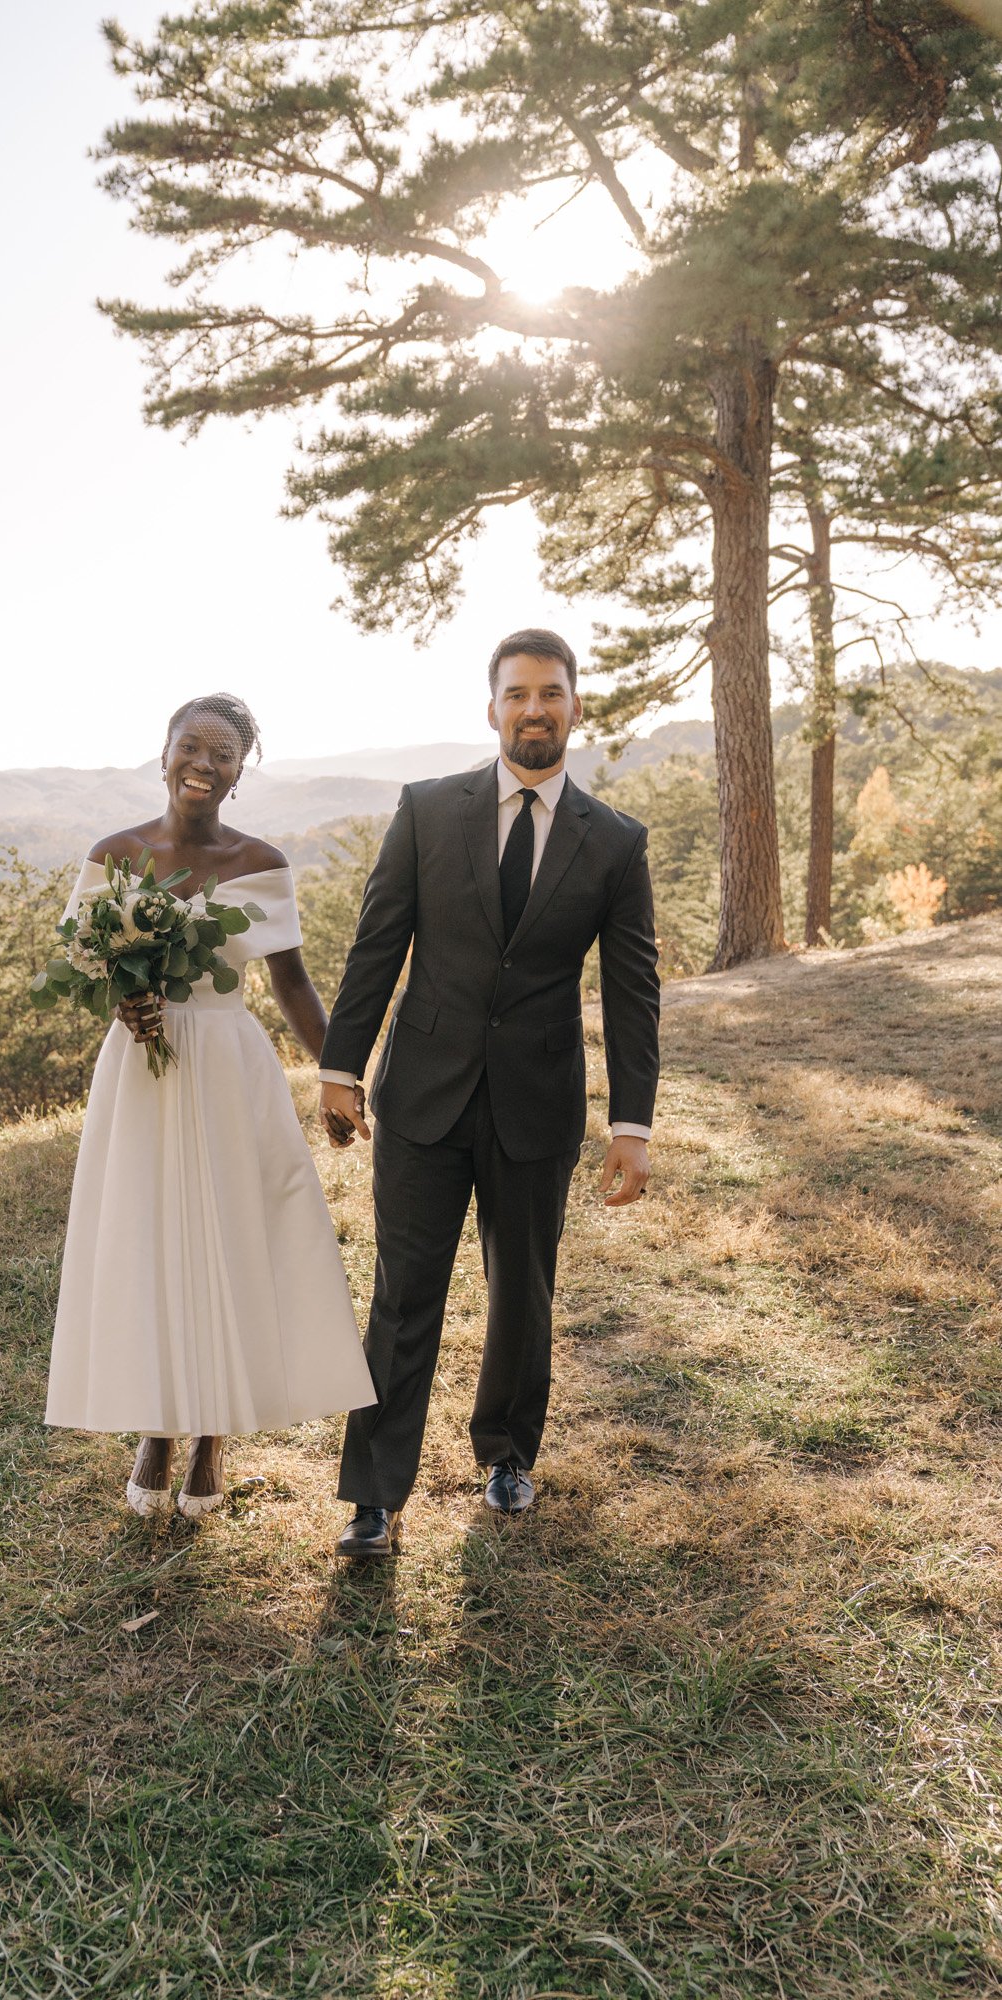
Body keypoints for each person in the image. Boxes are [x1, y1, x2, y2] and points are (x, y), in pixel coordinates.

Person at [319, 629, 660, 1558]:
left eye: (551, 694)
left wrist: (631, 1125)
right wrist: (341, 1066)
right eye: (517, 694)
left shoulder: (616, 845)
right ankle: (374, 1498)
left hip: (537, 1103)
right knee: (403, 1296)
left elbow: (633, 994)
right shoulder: (427, 811)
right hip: (422, 1096)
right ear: (492, 708)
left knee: (523, 1293)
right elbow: (377, 942)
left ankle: (507, 1452)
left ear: (574, 709)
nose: (534, 709)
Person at [45, 692, 375, 1516]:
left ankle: (212, 1441)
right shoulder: (112, 854)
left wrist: (340, 1076)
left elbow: (290, 984)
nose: (203, 764)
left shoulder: (259, 862)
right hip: (140, 1069)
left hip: (229, 1064)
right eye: (190, 746)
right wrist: (124, 998)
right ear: (162, 751)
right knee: (148, 1236)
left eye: (222, 755)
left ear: (239, 772)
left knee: (230, 1236)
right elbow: (87, 969)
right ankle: (156, 1429)